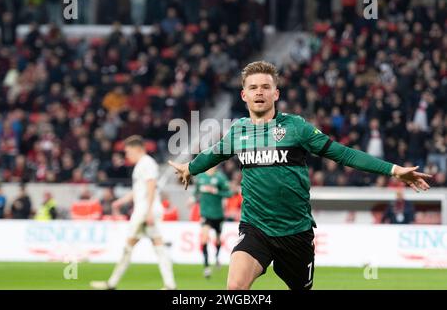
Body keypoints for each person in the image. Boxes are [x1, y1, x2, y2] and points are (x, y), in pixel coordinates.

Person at [169, 61, 432, 290]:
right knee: (235, 286)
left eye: (265, 86)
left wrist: (394, 170)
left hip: (296, 232)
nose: (259, 91)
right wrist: (190, 168)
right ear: (243, 95)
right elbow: (213, 154)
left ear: (276, 93)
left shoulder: (296, 128)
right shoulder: (238, 131)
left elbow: (344, 154)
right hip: (256, 228)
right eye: (253, 87)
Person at [91, 135, 176, 290]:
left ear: (138, 149)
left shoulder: (147, 163)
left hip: (145, 210)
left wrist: (149, 211)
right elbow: (139, 190)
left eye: (128, 151)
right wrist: (120, 201)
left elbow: (151, 187)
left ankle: (112, 283)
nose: (127, 155)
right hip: (146, 208)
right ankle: (170, 284)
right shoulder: (141, 165)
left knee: (129, 247)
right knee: (157, 245)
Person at [189, 166, 232, 278]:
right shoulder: (201, 177)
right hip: (205, 214)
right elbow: (196, 192)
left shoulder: (220, 178)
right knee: (204, 238)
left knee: (217, 240)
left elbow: (229, 193)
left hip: (218, 214)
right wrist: (192, 200)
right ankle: (207, 267)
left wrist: (216, 191)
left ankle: (217, 257)